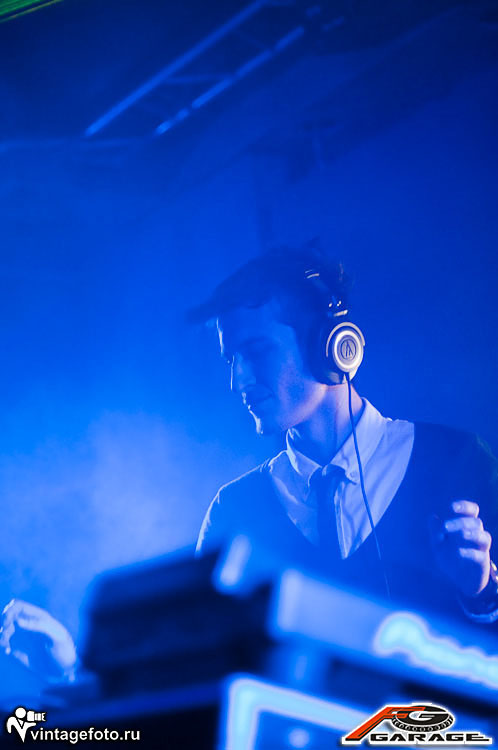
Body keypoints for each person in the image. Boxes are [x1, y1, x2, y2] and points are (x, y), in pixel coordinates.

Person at [2, 243, 498, 684]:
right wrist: (70, 672)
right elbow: (193, 681)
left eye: (256, 351)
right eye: (230, 360)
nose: (238, 382)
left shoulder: (455, 460)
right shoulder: (234, 510)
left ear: (330, 345)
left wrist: (481, 594)